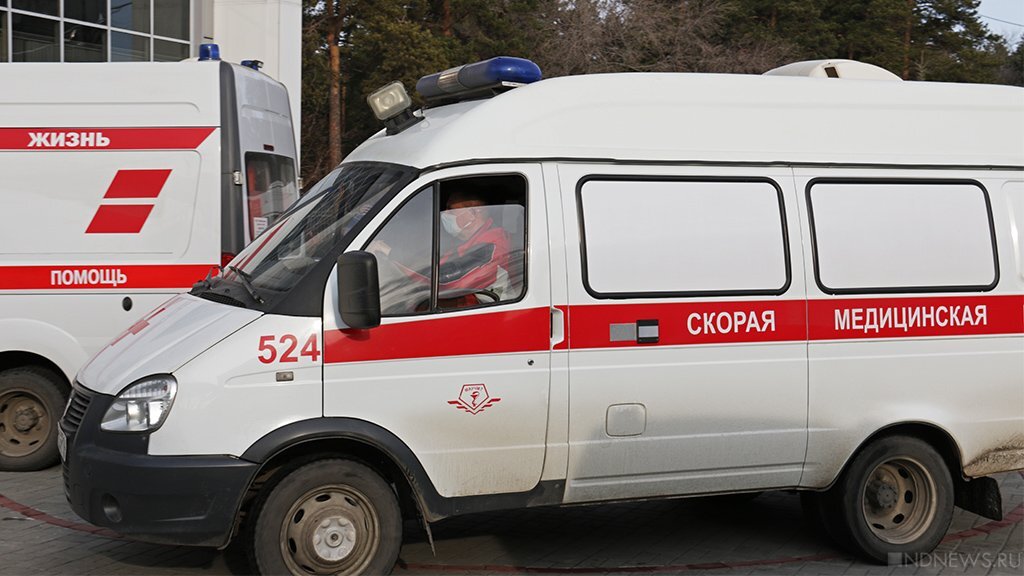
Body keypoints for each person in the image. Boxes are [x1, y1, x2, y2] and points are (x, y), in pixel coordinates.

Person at [436, 191, 512, 307]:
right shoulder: (463, 242)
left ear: (473, 213)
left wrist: (410, 277)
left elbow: (453, 283)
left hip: (495, 314)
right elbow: (438, 267)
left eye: (450, 210)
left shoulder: (494, 242)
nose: (444, 213)